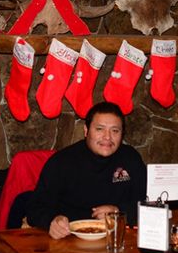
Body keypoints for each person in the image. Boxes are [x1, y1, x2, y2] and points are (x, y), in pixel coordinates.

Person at [26, 101, 147, 239]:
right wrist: (52, 221)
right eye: (100, 129)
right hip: (69, 240)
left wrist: (118, 212)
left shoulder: (131, 158)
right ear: (86, 131)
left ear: (122, 134)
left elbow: (146, 203)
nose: (107, 137)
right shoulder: (62, 162)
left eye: (115, 130)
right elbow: (34, 208)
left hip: (116, 239)